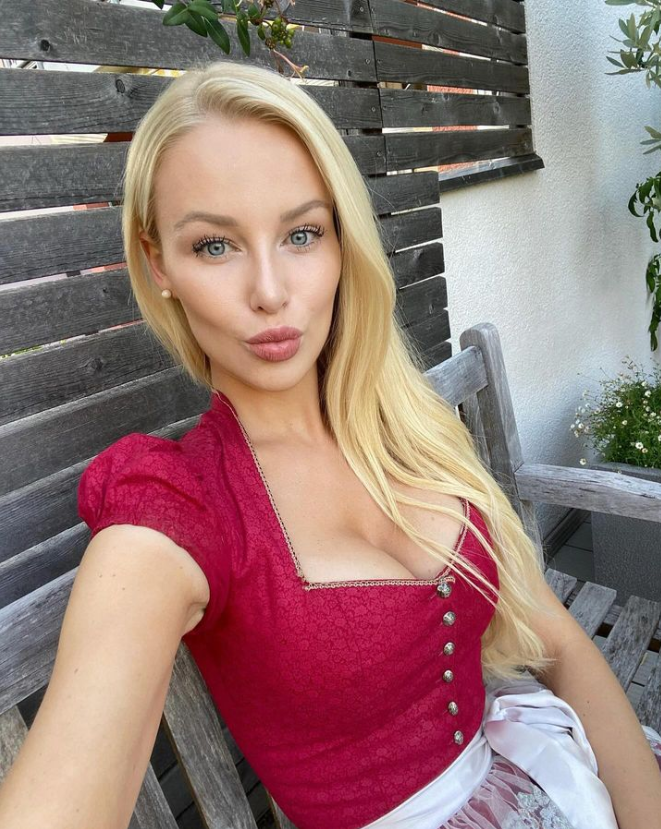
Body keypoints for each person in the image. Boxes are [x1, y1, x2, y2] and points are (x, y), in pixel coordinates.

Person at [0, 60, 660, 829]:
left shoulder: (402, 424)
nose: (270, 291)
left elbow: (559, 642)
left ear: (343, 243)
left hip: (540, 774)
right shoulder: (178, 513)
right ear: (158, 264)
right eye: (214, 246)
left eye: (301, 234)